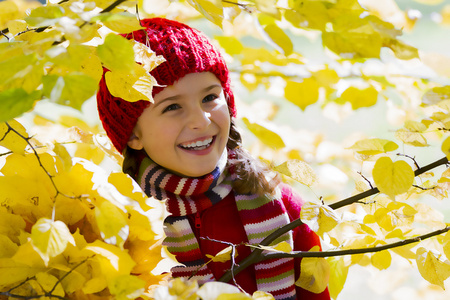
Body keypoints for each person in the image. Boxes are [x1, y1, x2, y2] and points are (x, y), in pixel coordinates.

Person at [97, 17, 330, 300]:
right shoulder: (121, 219)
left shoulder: (279, 203)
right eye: (172, 106)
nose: (200, 120)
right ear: (133, 134)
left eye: (209, 98)